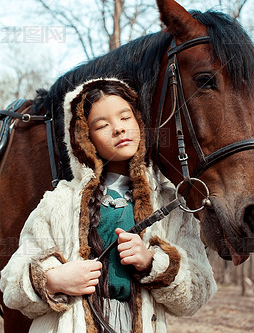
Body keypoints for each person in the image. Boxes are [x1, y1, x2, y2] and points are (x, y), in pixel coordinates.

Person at [0, 78, 217, 333]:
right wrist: (52, 281)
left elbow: (197, 291)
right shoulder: (59, 201)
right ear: (85, 139)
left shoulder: (169, 205)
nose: (118, 129)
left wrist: (152, 263)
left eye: (125, 118)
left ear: (140, 123)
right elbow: (11, 284)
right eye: (102, 125)